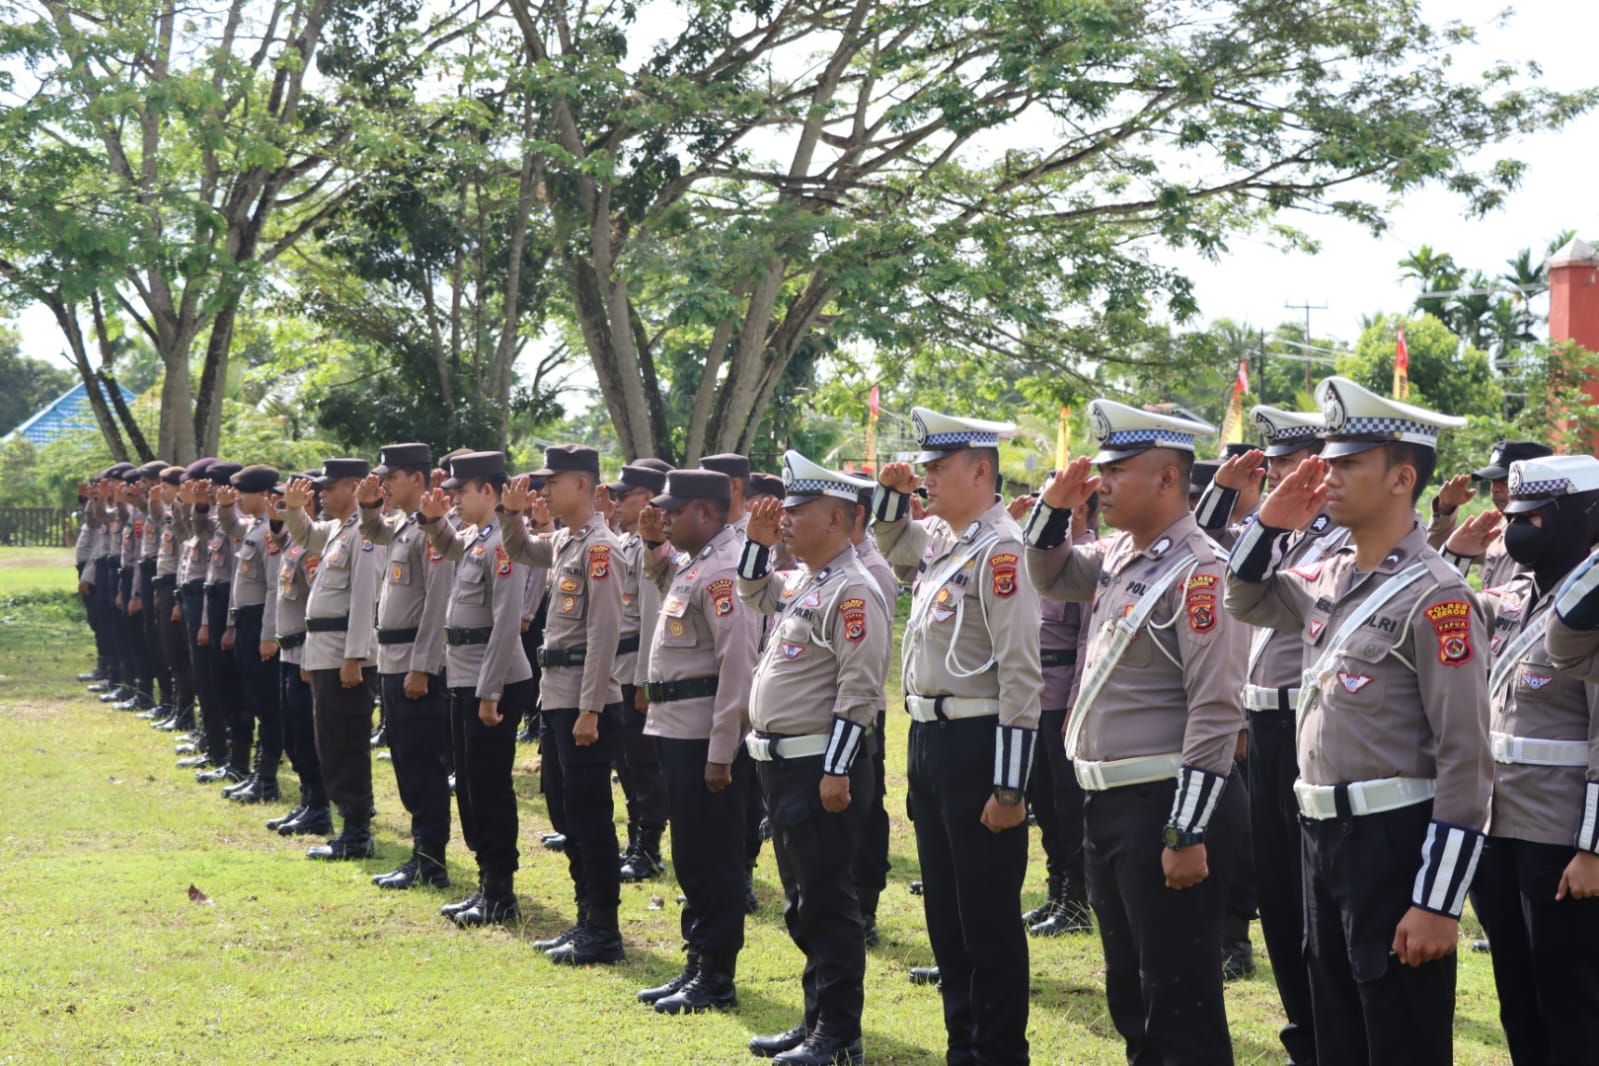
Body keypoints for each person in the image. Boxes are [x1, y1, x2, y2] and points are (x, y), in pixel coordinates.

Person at [1224, 376, 1491, 1066]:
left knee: (1397, 1032)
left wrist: (1437, 901)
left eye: (1347, 465)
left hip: (1393, 841)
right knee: (1336, 1026)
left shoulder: (1438, 597)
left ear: (1402, 477)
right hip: (1320, 833)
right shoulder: (1329, 577)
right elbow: (1245, 597)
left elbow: (1465, 758)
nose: (1328, 477)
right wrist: (1269, 522)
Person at [1025, 400, 1248, 1066]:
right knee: (1131, 990)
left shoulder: (1200, 571)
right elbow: (1048, 574)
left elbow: (1214, 711)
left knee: (1178, 1001)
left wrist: (1186, 831)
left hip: (1165, 805)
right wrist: (1051, 512)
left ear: (1167, 479)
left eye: (1119, 470)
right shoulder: (1119, 553)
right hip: (1110, 802)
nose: (1104, 483)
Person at [872, 407, 1043, 1066]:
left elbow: (1021, 677)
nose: (925, 478)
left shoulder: (1001, 549)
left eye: (937, 468)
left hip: (979, 747)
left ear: (979, 471)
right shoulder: (948, 541)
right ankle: (961, 1049)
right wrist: (892, 495)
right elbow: (891, 542)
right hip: (931, 742)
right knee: (946, 915)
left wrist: (1009, 785)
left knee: (987, 920)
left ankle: (998, 1053)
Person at [1440, 455, 1599, 1066]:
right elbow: (1438, 614)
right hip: (1496, 826)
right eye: (1513, 516)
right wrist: (1450, 553)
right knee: (1515, 994)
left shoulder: (1589, 613)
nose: (1517, 528)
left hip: (1561, 839)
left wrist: (1592, 848)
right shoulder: (1508, 598)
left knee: (1570, 999)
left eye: (1533, 516)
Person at [737, 451, 890, 1066]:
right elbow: (753, 593)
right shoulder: (809, 581)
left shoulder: (853, 590)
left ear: (838, 518)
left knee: (828, 904)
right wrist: (754, 543)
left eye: (799, 512)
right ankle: (815, 1023)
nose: (788, 521)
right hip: (783, 765)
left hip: (818, 767)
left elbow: (861, 691)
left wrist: (835, 770)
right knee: (804, 902)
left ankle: (839, 1038)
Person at [1194, 405, 1336, 1060]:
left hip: (1305, 724)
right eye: (1271, 468)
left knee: (1311, 895)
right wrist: (1225, 488)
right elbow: (1196, 541)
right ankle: (1302, 1031)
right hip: (1258, 717)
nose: (1276, 480)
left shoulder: (1337, 541)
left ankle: (1327, 1028)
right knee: (1278, 893)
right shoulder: (1267, 533)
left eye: (1288, 466)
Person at [631, 469, 759, 1011]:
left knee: (715, 859)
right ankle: (697, 960)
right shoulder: (696, 562)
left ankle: (717, 976)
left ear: (705, 512)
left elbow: (738, 668)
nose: (664, 517)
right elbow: (666, 585)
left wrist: (721, 751)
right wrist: (654, 543)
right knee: (691, 855)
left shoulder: (726, 569)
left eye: (673, 510)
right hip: (676, 729)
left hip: (705, 738)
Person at [499, 445, 627, 964]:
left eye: (552, 483)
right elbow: (521, 550)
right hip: (556, 696)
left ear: (581, 484)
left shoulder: (601, 549)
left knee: (590, 816)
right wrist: (509, 516)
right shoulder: (566, 542)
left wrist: (590, 708)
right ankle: (584, 918)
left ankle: (604, 929)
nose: (544, 492)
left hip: (582, 699)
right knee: (565, 810)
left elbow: (603, 634)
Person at [417, 451, 535, 926]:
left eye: (461, 493)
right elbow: (450, 547)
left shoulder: (504, 544)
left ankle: (501, 892)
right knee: (467, 784)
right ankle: (487, 881)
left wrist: (490, 692)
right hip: (465, 675)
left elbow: (507, 622)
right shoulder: (474, 538)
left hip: (494, 681)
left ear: (488, 492)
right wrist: (432, 523)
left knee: (488, 788)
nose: (455, 502)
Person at [358, 444, 454, 890]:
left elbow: (437, 603)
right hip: (392, 659)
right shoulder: (402, 525)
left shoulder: (434, 531)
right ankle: (421, 854)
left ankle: (431, 860)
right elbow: (374, 531)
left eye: (392, 478)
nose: (386, 485)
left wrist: (423, 666)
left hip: (415, 663)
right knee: (404, 761)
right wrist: (368, 505)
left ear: (418, 479)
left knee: (422, 764)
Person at [283, 458, 382, 861]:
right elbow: (304, 534)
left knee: (346, 741)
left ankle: (357, 832)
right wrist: (292, 508)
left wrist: (355, 656)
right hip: (324, 649)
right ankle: (347, 824)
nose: (322, 493)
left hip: (345, 653)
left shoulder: (367, 531)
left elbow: (363, 598)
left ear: (356, 486)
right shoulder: (339, 529)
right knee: (329, 740)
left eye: (331, 486)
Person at [607, 461, 675, 882]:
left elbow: (651, 619)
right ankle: (635, 837)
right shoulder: (627, 543)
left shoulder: (652, 547)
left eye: (623, 495)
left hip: (636, 667)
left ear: (648, 499)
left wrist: (646, 683)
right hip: (619, 665)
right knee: (626, 761)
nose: (614, 502)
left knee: (642, 763)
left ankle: (647, 846)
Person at [265, 472, 334, 837]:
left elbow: (314, 604)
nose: (282, 506)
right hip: (287, 649)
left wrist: (309, 652)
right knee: (293, 733)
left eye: (289, 500)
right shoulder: (293, 542)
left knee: (307, 734)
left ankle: (319, 806)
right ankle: (308, 800)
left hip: (304, 651)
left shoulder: (313, 545)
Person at [214, 465, 285, 803]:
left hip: (260, 621)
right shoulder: (254, 526)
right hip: (246, 619)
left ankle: (267, 778)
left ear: (265, 496)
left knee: (268, 704)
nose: (239, 498)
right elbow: (229, 526)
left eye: (244, 493)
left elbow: (273, 588)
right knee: (254, 699)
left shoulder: (270, 531)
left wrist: (268, 634)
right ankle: (258, 773)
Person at [848, 484, 899, 946]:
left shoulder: (873, 570)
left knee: (865, 810)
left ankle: (864, 907)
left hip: (862, 709)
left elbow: (872, 656)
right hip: (835, 710)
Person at [1426, 440, 1552, 590]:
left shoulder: (1554, 534)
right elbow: (1439, 554)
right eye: (1493, 481)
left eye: (1506, 481)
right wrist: (1446, 508)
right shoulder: (1499, 529)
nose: (1495, 489)